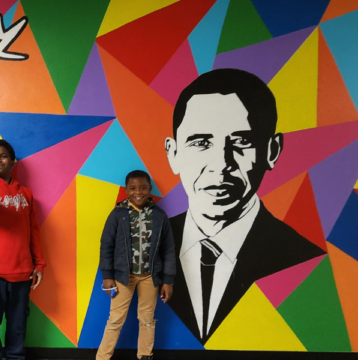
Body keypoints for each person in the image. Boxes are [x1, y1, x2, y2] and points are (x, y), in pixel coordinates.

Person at [164, 69, 325, 343]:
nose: (221, 164)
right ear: (173, 153)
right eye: (201, 142)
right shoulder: (151, 243)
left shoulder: (305, 260)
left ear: (271, 152)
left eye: (241, 142)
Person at [0, 131, 46, 360]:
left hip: (21, 274)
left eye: (3, 156)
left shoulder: (27, 194)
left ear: (13, 162)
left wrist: (39, 264)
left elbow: (33, 230)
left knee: (17, 325)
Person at [97, 170, 176, 360]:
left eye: (142, 187)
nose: (138, 192)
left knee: (147, 319)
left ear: (150, 189)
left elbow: (169, 249)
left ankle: (145, 355)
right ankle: (102, 357)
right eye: (132, 188)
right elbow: (106, 245)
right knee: (115, 319)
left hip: (150, 276)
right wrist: (107, 276)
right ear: (126, 190)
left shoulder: (159, 216)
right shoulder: (118, 214)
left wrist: (168, 280)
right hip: (123, 276)